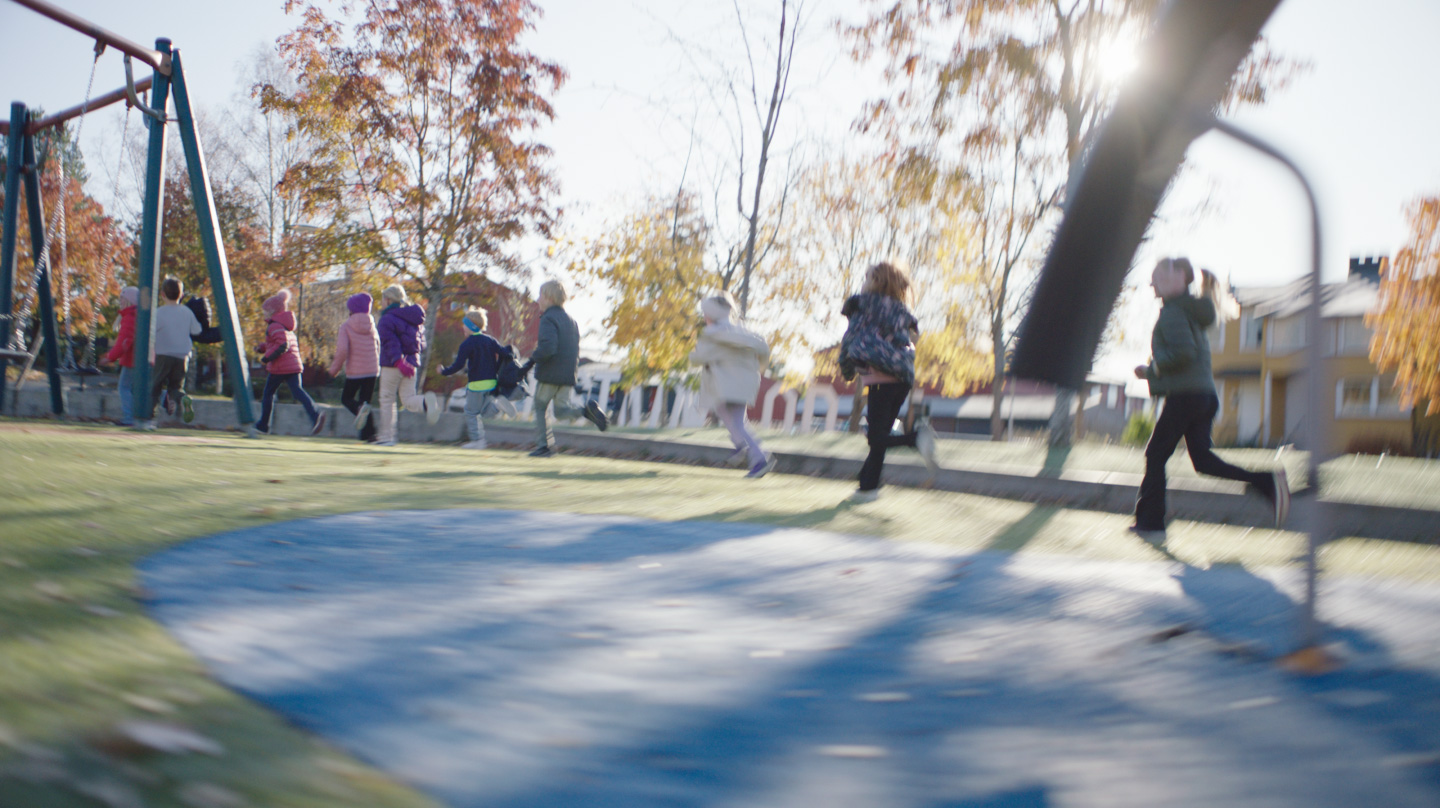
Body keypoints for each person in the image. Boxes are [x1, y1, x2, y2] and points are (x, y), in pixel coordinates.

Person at [1131, 257, 1289, 537]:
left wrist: (1152, 369)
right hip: (1203, 396)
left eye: (1157, 278)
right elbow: (1188, 355)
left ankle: (1150, 523)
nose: (1152, 283)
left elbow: (1184, 353)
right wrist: (1154, 371)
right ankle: (1267, 482)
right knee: (1202, 461)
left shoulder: (1173, 313)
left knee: (1155, 454)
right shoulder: (1190, 311)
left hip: (1186, 397)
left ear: (1179, 278)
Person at [837, 262, 938, 502]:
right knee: (879, 437)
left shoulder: (863, 305)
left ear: (876, 281)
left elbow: (850, 339)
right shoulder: (901, 311)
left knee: (876, 437)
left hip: (880, 379)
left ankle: (916, 439)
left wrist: (847, 370)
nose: (863, 282)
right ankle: (867, 487)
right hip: (902, 378)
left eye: (867, 278)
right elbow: (910, 339)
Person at [689, 292, 774, 478]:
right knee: (734, 418)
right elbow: (762, 351)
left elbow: (699, 357)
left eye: (706, 314)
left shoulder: (713, 335)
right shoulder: (741, 331)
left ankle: (758, 457)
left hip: (728, 386)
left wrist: (691, 355)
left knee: (732, 418)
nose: (705, 318)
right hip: (746, 383)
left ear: (713, 315)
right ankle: (742, 447)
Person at [527, 279, 607, 457]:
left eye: (540, 296)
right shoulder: (572, 321)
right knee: (561, 411)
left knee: (539, 406)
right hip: (567, 375)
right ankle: (586, 411)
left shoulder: (548, 318)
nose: (538, 300)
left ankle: (544, 447)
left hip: (550, 374)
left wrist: (531, 361)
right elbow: (574, 350)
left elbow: (548, 348)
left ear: (549, 298)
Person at [439, 307, 515, 450]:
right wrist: (511, 350)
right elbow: (504, 352)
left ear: (471, 326)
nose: (463, 327)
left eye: (465, 324)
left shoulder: (467, 344)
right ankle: (498, 406)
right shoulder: (490, 340)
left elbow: (458, 365)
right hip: (491, 383)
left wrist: (444, 371)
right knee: (485, 412)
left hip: (476, 385)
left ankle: (477, 440)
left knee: (471, 412)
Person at [255, 289, 326, 436]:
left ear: (272, 311)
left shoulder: (274, 325)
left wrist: (266, 357)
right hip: (293, 365)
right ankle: (315, 415)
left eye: (265, 311)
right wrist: (262, 348)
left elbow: (282, 345)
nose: (264, 314)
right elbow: (276, 342)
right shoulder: (285, 325)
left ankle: (263, 425)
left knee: (268, 394)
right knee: (297, 391)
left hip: (281, 367)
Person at [375, 284, 440, 446]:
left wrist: (398, 361)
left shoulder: (387, 319)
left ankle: (387, 437)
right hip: (412, 365)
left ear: (388, 300)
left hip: (393, 364)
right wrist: (410, 360)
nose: (382, 302)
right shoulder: (415, 320)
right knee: (409, 400)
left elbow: (390, 343)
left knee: (387, 399)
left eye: (383, 299)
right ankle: (425, 402)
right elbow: (421, 344)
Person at [144, 277, 202, 428]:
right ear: (181, 295)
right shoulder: (187, 312)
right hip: (182, 356)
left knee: (155, 387)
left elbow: (150, 332)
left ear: (162, 294)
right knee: (176, 387)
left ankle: (149, 419)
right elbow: (197, 330)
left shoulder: (159, 312)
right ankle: (183, 398)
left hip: (163, 354)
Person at [328, 292, 381, 442]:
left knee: (347, 398)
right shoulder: (372, 324)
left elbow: (342, 350)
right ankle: (369, 435)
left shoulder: (346, 326)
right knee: (365, 403)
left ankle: (359, 410)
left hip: (355, 370)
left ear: (351, 309)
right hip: (372, 370)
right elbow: (378, 345)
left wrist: (334, 369)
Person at [104, 286, 139, 426]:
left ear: (130, 301)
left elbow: (124, 342)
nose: (120, 301)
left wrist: (110, 357)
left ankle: (130, 417)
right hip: (141, 360)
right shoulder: (138, 316)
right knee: (141, 388)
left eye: (122, 298)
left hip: (132, 360)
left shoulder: (129, 317)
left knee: (124, 387)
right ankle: (169, 396)